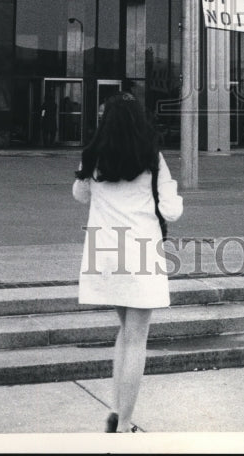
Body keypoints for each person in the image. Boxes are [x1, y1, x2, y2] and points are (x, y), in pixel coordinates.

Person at [72, 92, 183, 433]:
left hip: (105, 252)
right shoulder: (152, 158)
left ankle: (115, 409)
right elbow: (171, 211)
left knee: (125, 332)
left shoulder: (95, 156)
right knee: (137, 338)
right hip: (140, 252)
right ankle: (124, 424)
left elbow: (80, 195)